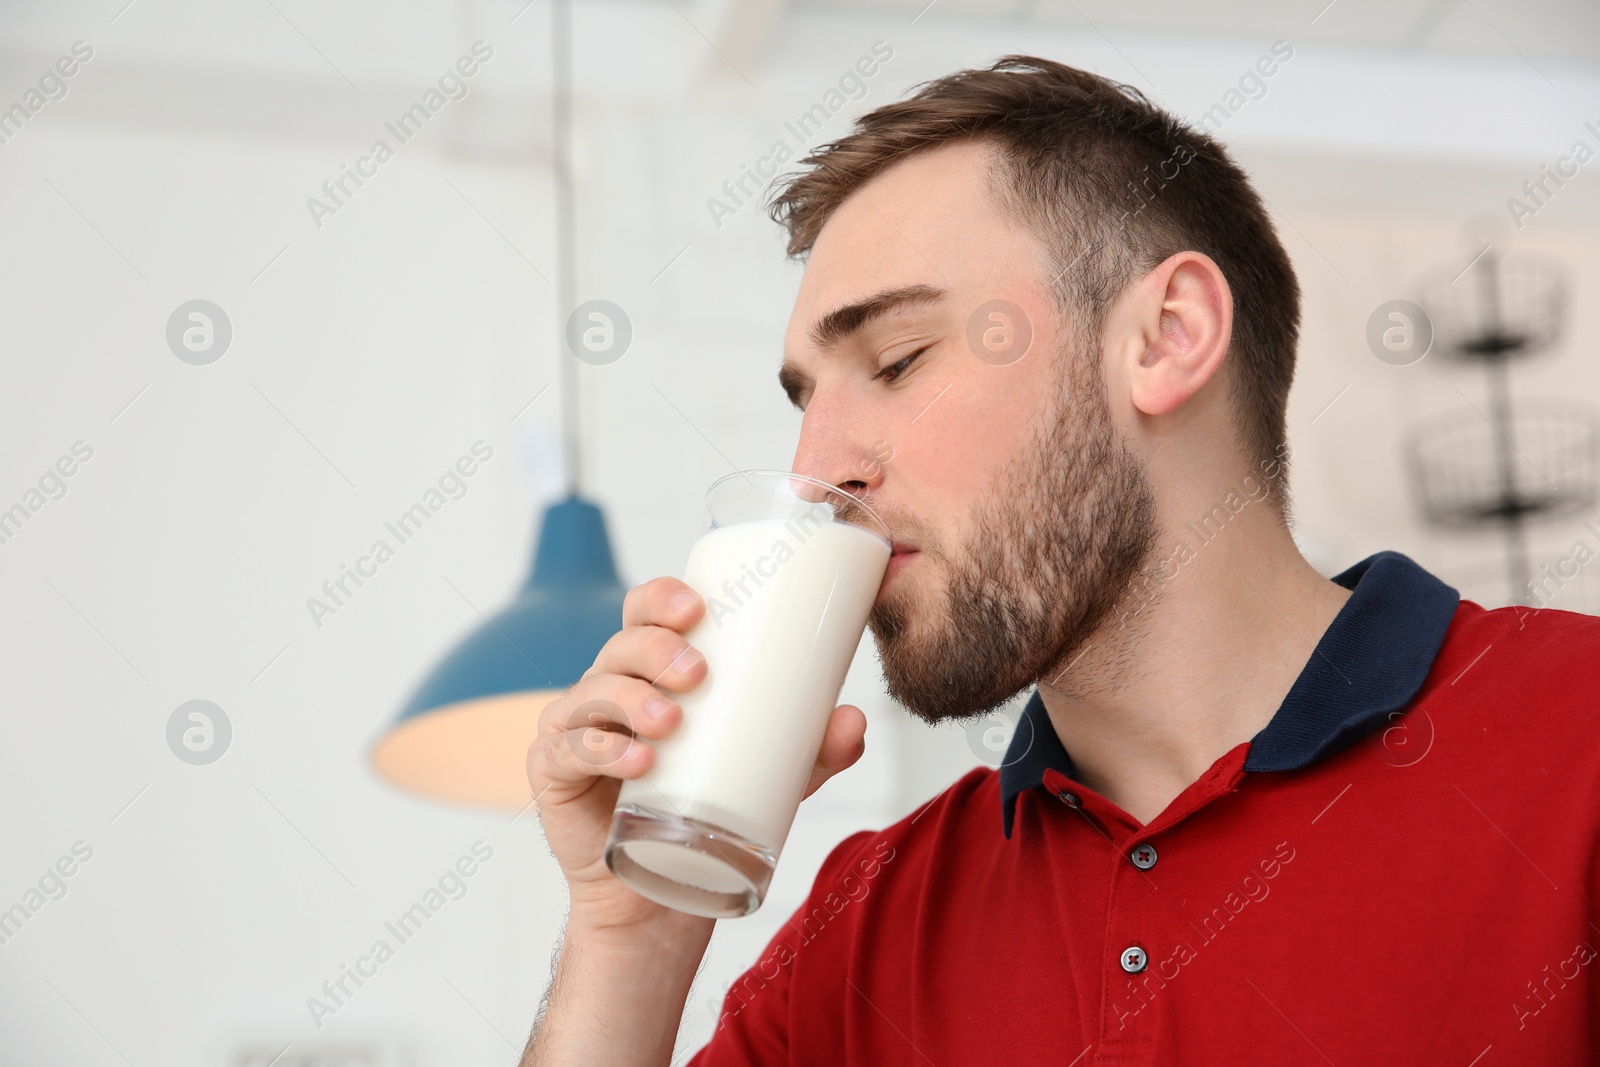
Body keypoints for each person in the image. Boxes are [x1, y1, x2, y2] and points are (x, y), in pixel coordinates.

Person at [519, 56, 1600, 1065]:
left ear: (1166, 336)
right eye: (807, 402)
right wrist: (634, 931)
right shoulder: (862, 939)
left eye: (896, 358)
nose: (819, 470)